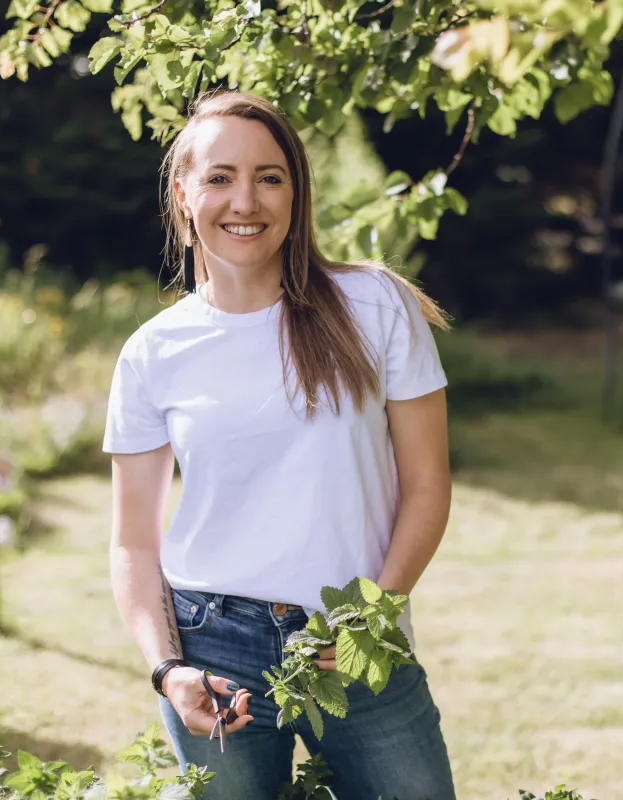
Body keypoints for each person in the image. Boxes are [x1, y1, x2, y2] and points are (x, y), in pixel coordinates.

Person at [102, 90, 457, 800]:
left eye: (270, 176)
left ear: (296, 192)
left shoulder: (375, 306)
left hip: (355, 634)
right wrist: (168, 670)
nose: (247, 201)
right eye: (221, 177)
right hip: (212, 650)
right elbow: (133, 544)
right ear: (183, 194)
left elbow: (427, 487)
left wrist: (368, 620)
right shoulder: (153, 353)